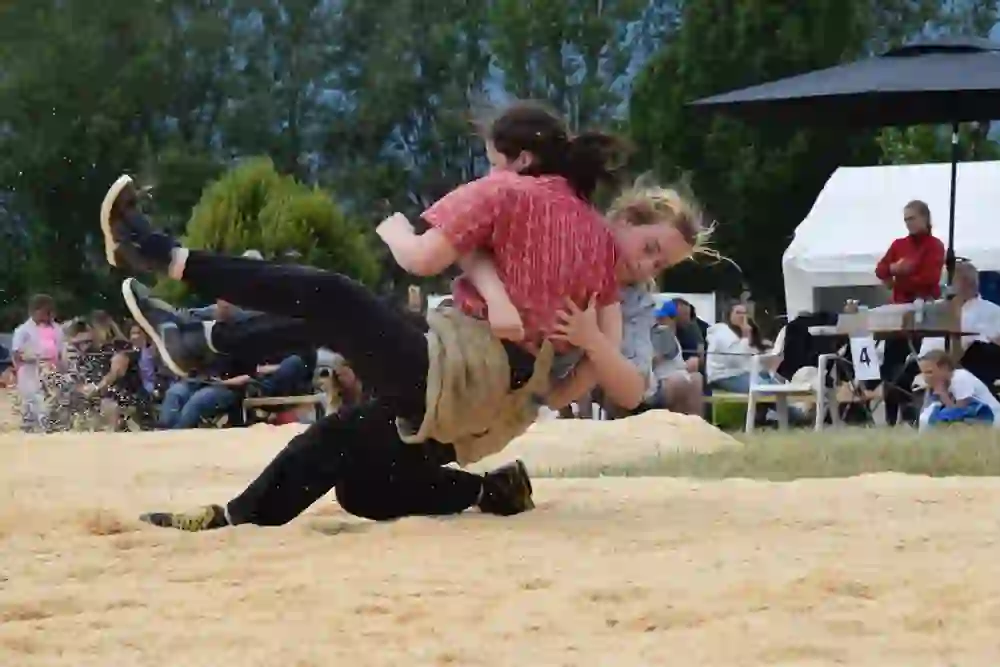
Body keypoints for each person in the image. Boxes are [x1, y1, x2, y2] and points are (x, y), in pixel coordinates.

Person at [104, 103, 703, 531]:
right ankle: (239, 507)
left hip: (469, 380)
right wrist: (498, 297)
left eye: (658, 261)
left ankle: (169, 266)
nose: (646, 266)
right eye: (649, 248)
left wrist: (392, 228)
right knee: (360, 479)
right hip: (477, 396)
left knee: (334, 299)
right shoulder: (575, 238)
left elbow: (423, 257)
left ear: (516, 160)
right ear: (620, 217)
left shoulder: (550, 229)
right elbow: (480, 254)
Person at [874, 200, 946, 426]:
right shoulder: (898, 244)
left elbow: (928, 280)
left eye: (912, 218)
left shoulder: (935, 246)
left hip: (923, 312)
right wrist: (896, 270)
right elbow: (880, 269)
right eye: (906, 220)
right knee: (889, 364)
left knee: (913, 362)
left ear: (925, 218)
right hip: (899, 313)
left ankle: (911, 412)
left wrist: (898, 278)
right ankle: (890, 417)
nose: (908, 224)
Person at [12, 294, 64, 432]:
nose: (49, 315)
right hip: (30, 371)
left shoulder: (57, 329)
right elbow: (17, 354)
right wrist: (33, 358)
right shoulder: (23, 330)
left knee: (52, 402)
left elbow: (60, 350)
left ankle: (50, 428)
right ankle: (29, 430)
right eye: (46, 312)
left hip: (51, 369)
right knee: (33, 402)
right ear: (36, 311)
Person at [917, 349, 1000, 430]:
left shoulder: (960, 378)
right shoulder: (942, 383)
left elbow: (960, 412)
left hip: (991, 416)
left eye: (929, 372)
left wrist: (942, 393)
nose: (926, 377)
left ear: (944, 368)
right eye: (923, 373)